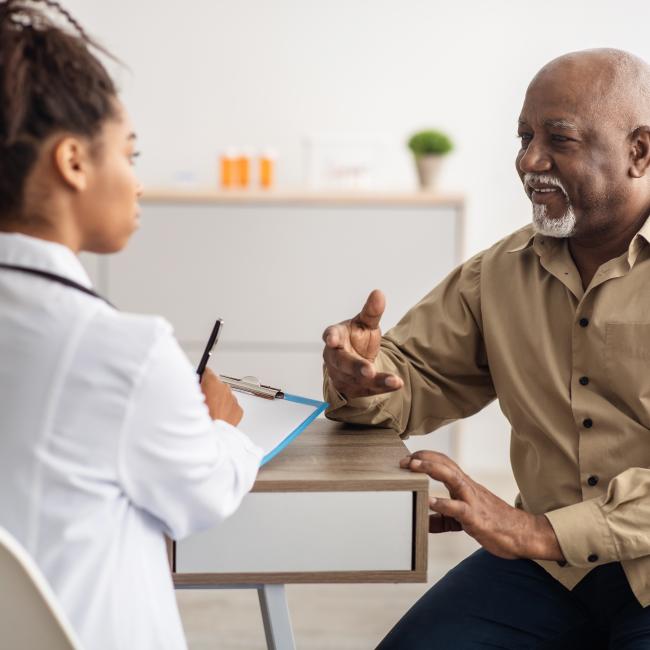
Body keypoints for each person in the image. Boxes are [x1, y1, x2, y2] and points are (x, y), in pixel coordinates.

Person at [323, 48, 650, 649]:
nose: (530, 160)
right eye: (524, 136)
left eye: (560, 139)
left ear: (640, 151)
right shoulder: (500, 272)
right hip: (551, 573)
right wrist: (363, 378)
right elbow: (416, 375)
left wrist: (536, 532)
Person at [0, 2, 262, 649]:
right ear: (74, 162)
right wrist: (225, 427)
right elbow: (199, 499)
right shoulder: (125, 352)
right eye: (130, 153)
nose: (137, 184)